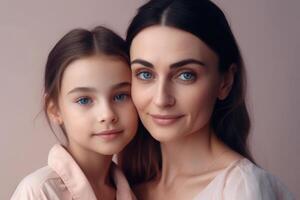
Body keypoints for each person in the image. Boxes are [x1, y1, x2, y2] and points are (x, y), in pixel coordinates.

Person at [119, 0, 294, 199]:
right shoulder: (123, 185)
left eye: (186, 75)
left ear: (225, 82)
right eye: (145, 74)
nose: (161, 99)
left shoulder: (241, 190)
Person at [11, 26, 137, 200]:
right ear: (54, 109)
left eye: (121, 96)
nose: (107, 114)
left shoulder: (135, 190)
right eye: (84, 100)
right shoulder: (39, 192)